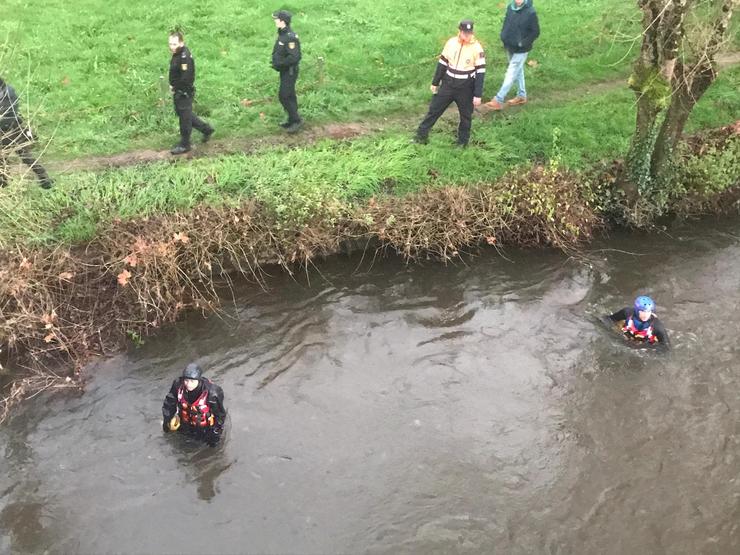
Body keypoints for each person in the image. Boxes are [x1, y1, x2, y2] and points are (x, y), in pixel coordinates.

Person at [413, 20, 486, 148]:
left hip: (465, 87)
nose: (467, 36)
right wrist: (435, 82)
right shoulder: (451, 43)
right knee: (434, 110)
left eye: (469, 33)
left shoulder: (477, 48)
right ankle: (421, 136)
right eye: (464, 33)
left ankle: (462, 143)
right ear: (460, 31)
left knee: (465, 116)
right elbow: (442, 64)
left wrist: (477, 94)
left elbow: (480, 72)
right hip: (448, 84)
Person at [485, 0, 540, 110]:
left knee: (511, 72)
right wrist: (503, 36)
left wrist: (523, 43)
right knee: (517, 71)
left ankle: (498, 99)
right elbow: (506, 23)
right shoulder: (511, 8)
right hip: (509, 45)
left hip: (521, 49)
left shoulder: (530, 12)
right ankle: (521, 95)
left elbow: (536, 32)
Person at [0, 77, 52, 189]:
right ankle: (43, 177)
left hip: (8, 129)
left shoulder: (7, 94)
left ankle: (3, 182)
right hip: (12, 128)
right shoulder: (8, 91)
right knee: (22, 155)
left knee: (7, 156)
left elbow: (8, 112)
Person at [168, 32, 214, 155]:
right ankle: (206, 129)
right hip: (179, 90)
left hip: (183, 92)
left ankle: (185, 144)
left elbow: (186, 78)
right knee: (183, 113)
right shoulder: (177, 53)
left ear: (181, 43)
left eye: (175, 44)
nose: (172, 46)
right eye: (170, 44)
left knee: (184, 118)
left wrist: (175, 87)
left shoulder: (184, 57)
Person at [162, 363, 227, 447]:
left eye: (192, 381)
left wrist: (216, 433)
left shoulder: (213, 393)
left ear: (199, 380)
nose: (188, 384)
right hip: (185, 424)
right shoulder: (178, 385)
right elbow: (169, 403)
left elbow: (220, 415)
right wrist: (167, 420)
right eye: (186, 380)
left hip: (205, 428)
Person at [271, 10, 303, 133]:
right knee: (290, 95)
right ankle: (292, 119)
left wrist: (280, 63)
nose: (275, 21)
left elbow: (294, 57)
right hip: (284, 71)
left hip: (290, 71)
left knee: (284, 95)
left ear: (282, 21)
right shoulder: (282, 34)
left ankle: (296, 120)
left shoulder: (290, 37)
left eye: (276, 19)